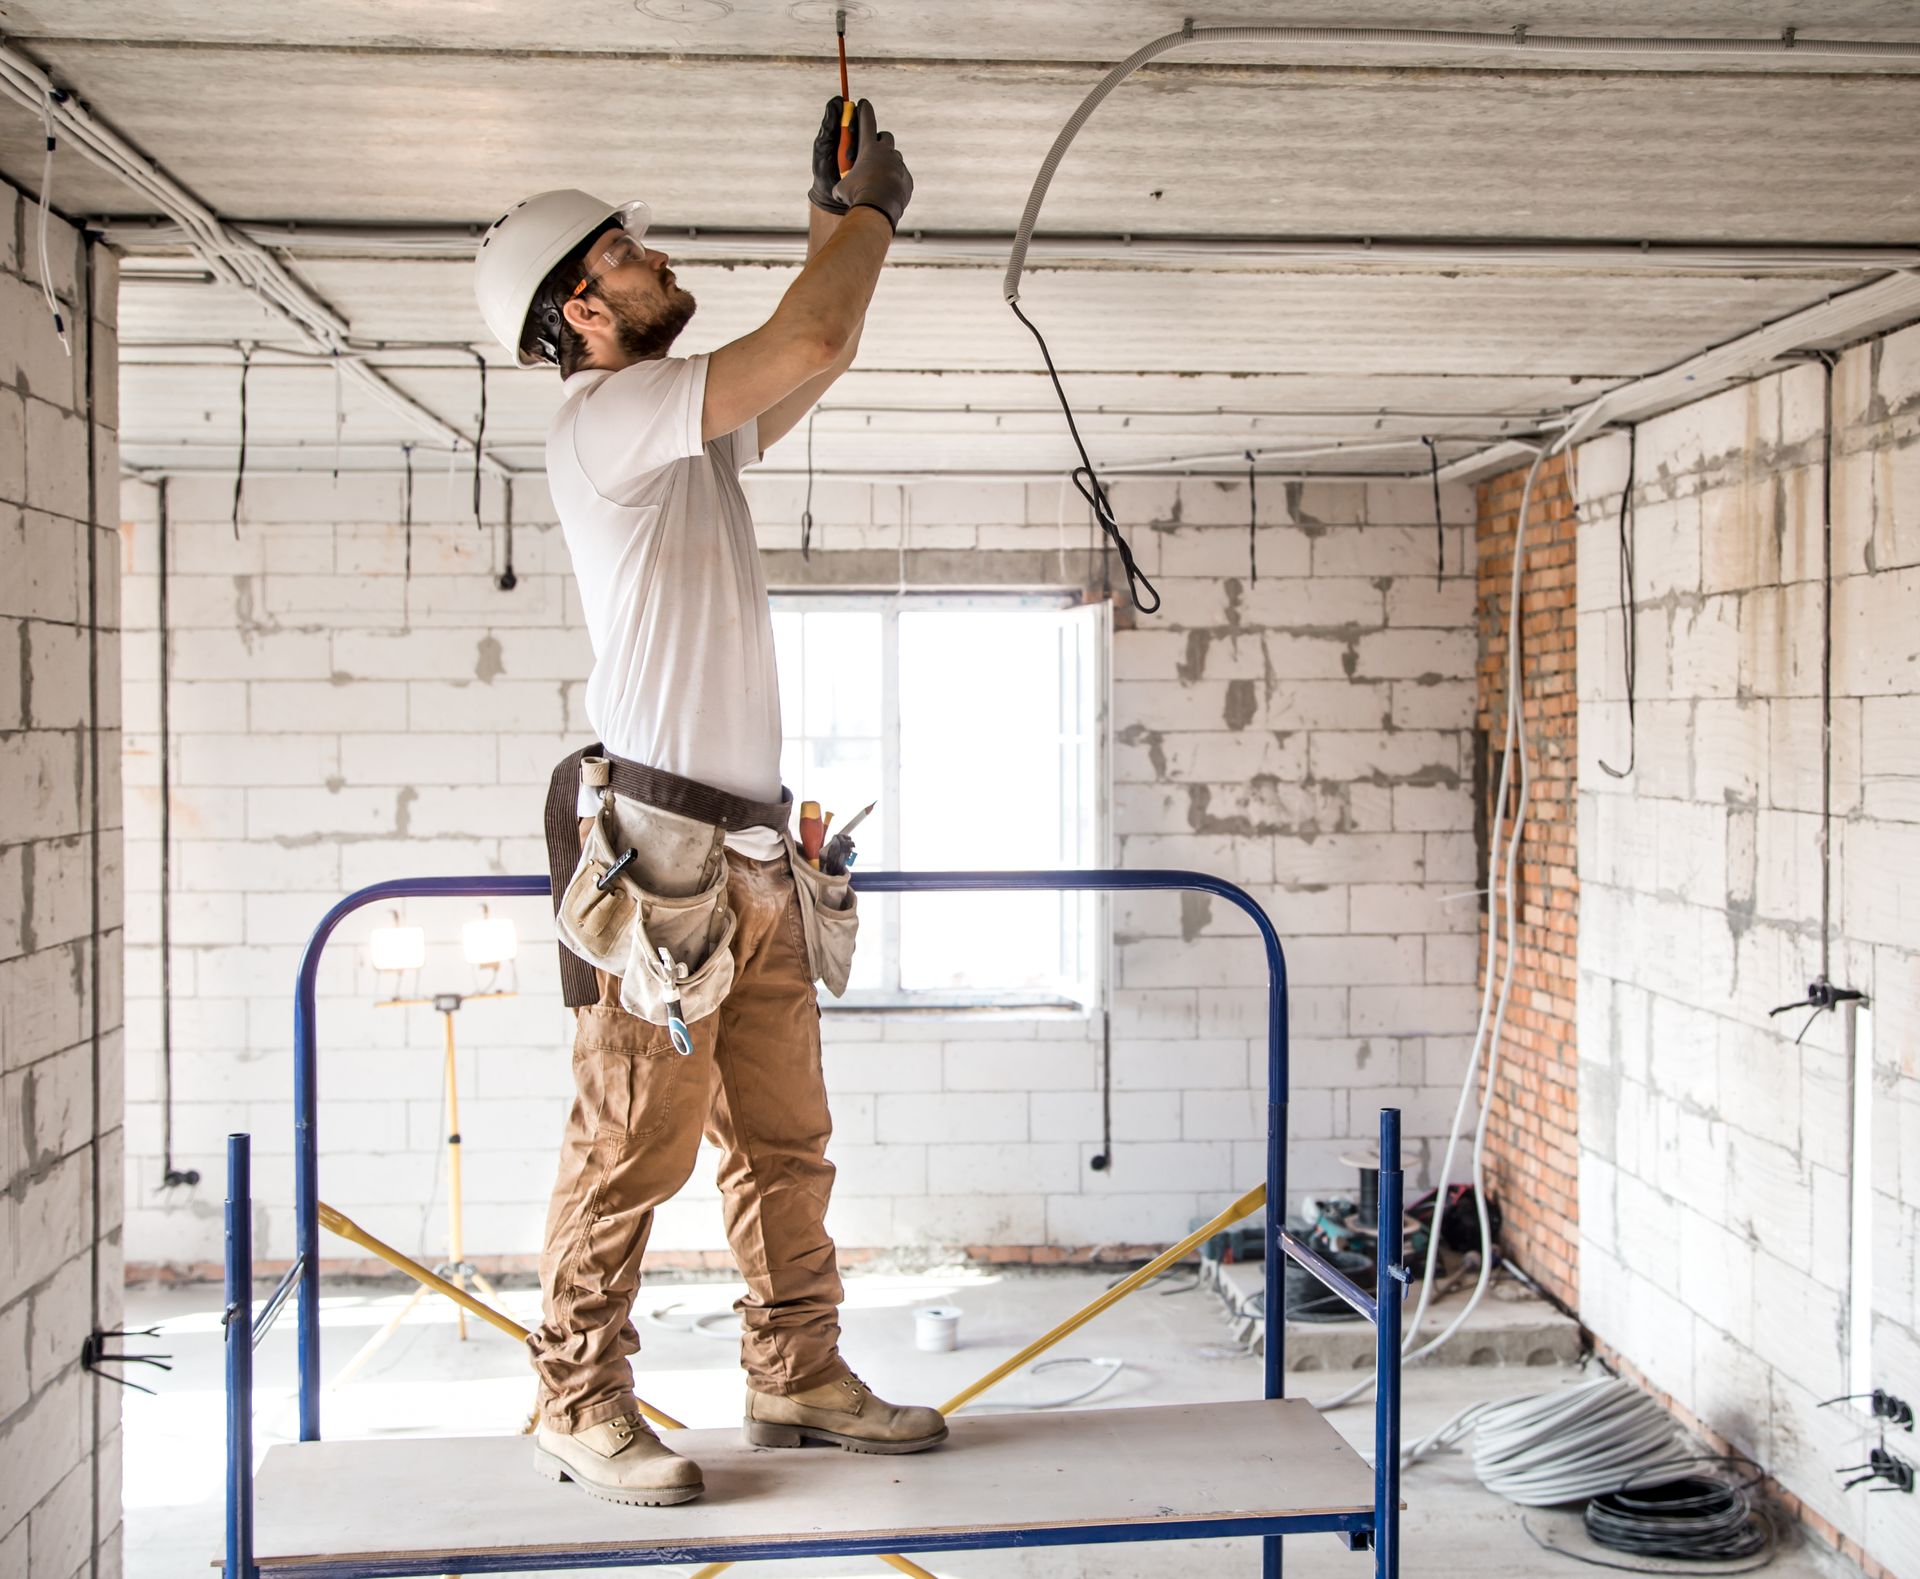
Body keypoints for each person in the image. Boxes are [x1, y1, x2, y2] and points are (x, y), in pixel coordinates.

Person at [471, 98, 941, 1508]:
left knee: (784, 1143)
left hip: (748, 855)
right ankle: (575, 1400)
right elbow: (814, 338)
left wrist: (830, 214)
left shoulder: (684, 440)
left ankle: (795, 1367)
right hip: (664, 857)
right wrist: (872, 219)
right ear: (581, 308)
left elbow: (806, 358)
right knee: (631, 1147)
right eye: (627, 250)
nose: (655, 254)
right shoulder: (608, 419)